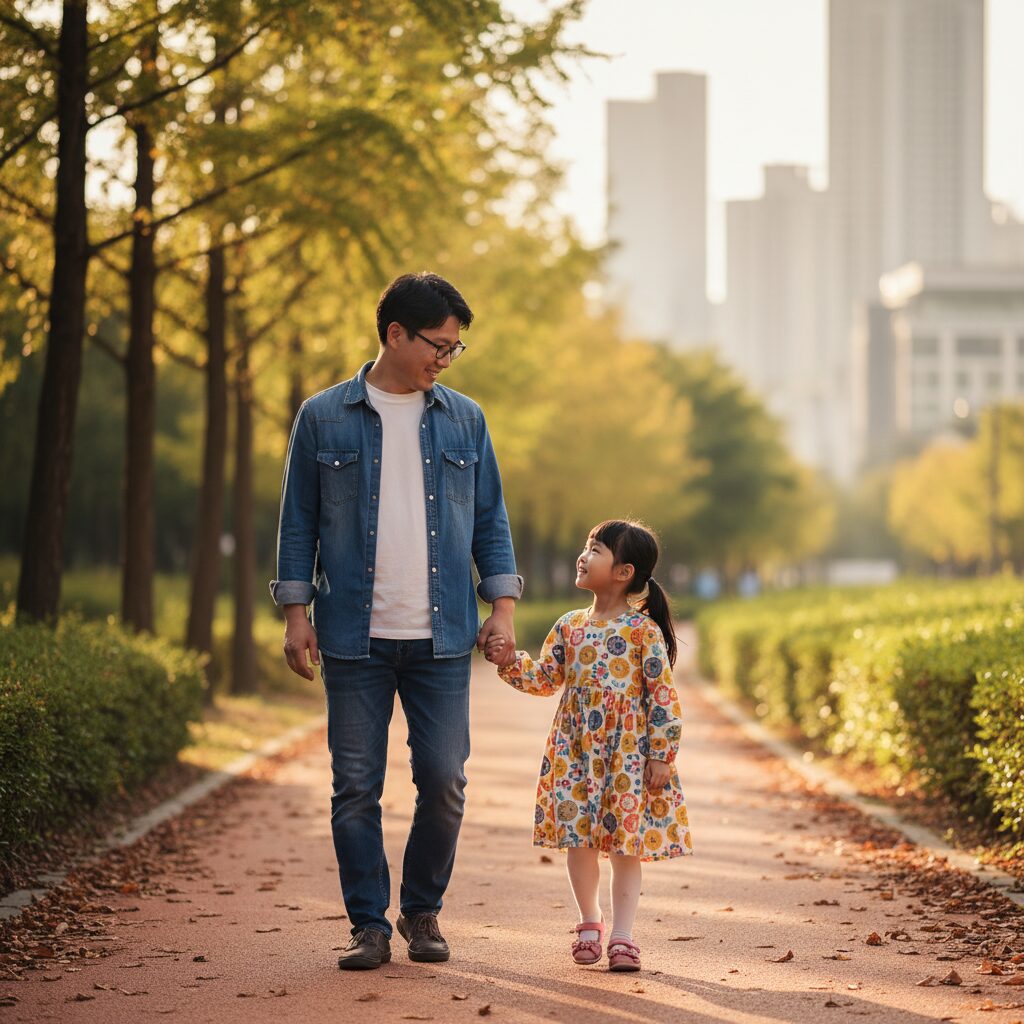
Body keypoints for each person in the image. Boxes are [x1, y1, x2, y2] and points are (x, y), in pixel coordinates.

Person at [271, 272, 521, 971]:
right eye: (439, 345)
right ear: (395, 334)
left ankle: (420, 910)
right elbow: (298, 524)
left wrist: (500, 606)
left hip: (443, 638)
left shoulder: (465, 420)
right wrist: (296, 615)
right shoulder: (323, 417)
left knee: (444, 780)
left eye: (455, 348)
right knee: (356, 784)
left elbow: (490, 518)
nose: (446, 358)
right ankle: (367, 926)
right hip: (354, 635)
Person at [484, 519, 691, 972]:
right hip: (575, 752)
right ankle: (589, 921)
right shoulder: (569, 627)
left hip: (629, 757)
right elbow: (545, 679)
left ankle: (623, 935)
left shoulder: (643, 632)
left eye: (596, 549)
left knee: (624, 846)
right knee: (578, 839)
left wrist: (661, 754)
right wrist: (508, 661)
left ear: (623, 572)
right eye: (586, 546)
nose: (584, 554)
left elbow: (662, 697)